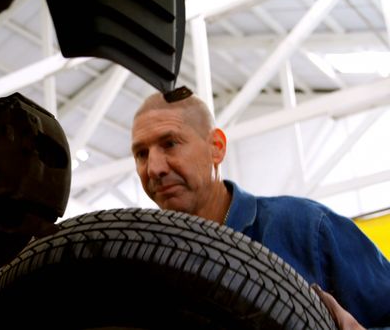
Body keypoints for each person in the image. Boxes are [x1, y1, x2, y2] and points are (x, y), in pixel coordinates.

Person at [130, 86, 390, 329]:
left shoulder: (305, 227)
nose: (154, 168)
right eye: (141, 154)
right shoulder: (146, 270)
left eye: (170, 143)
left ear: (216, 148)